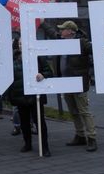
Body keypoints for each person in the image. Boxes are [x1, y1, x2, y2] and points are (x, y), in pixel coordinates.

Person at [40, 19, 98, 152]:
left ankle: (92, 137)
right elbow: (51, 32)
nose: (60, 31)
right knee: (73, 111)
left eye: (63, 29)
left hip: (78, 83)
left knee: (84, 111)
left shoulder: (82, 43)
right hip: (65, 83)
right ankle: (80, 135)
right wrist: (42, 23)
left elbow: (95, 50)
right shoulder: (61, 40)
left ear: (71, 31)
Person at [6, 37, 53, 156]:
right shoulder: (13, 58)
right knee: (24, 122)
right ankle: (27, 144)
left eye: (24, 42)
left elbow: (49, 71)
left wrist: (43, 75)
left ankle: (45, 147)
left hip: (35, 96)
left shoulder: (38, 56)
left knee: (40, 122)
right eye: (20, 43)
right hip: (20, 95)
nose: (22, 45)